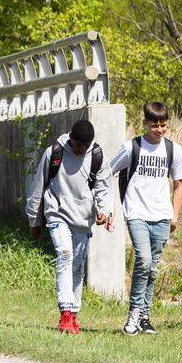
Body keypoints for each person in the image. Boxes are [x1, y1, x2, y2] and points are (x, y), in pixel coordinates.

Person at [25, 119, 115, 334]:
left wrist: (104, 211)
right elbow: (38, 186)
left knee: (77, 266)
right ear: (71, 138)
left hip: (83, 218)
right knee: (65, 254)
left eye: (85, 146)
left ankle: (74, 314)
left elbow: (104, 188)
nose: (81, 149)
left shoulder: (96, 156)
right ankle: (64, 313)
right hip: (57, 213)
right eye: (78, 145)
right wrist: (34, 220)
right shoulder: (54, 152)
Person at [110, 102, 182, 335]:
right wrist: (109, 206)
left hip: (162, 216)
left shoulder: (174, 150)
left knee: (153, 268)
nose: (159, 129)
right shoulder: (132, 147)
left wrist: (174, 215)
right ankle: (134, 312)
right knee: (143, 260)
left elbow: (180, 183)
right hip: (136, 213)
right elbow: (108, 171)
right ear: (145, 122)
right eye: (154, 124)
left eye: (163, 125)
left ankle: (145, 316)